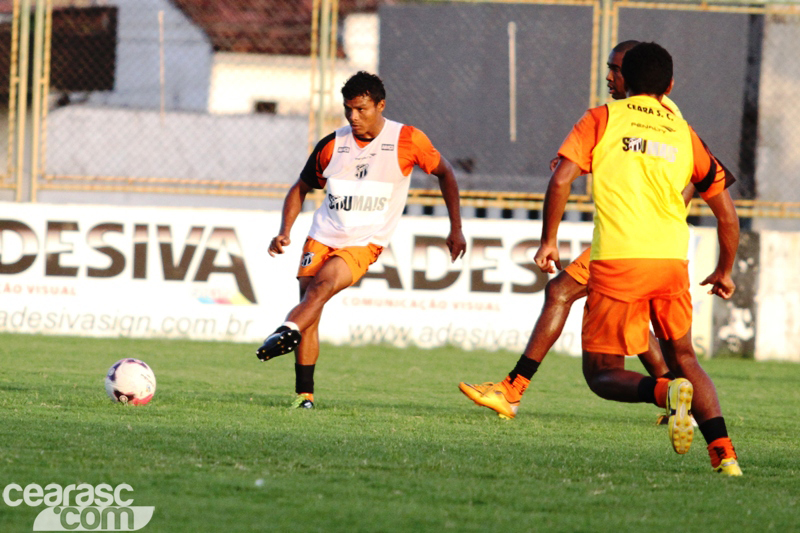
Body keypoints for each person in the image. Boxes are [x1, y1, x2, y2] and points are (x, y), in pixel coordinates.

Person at [459, 40, 722, 424]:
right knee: (634, 321)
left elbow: (702, 176)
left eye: (616, 69)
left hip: (630, 240)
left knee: (560, 290)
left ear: (633, 75)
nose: (610, 77)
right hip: (650, 242)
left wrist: (663, 208)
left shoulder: (656, 114)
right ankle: (676, 396)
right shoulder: (646, 114)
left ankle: (512, 389)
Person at [531, 42, 740, 475]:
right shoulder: (685, 132)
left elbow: (561, 180)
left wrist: (548, 240)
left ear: (624, 77)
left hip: (620, 258)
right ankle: (725, 457)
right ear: (670, 85)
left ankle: (665, 394)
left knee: (602, 374)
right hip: (670, 260)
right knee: (685, 357)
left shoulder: (602, 118)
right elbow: (727, 216)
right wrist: (723, 270)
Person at [256, 71, 467, 409]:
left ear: (380, 105)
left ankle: (285, 329)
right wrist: (285, 230)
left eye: (361, 109)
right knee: (311, 306)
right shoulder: (332, 145)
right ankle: (304, 396)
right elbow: (300, 188)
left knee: (320, 289)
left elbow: (446, 173)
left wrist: (455, 228)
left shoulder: (407, 140)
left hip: (364, 241)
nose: (353, 117)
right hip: (322, 234)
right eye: (348, 109)